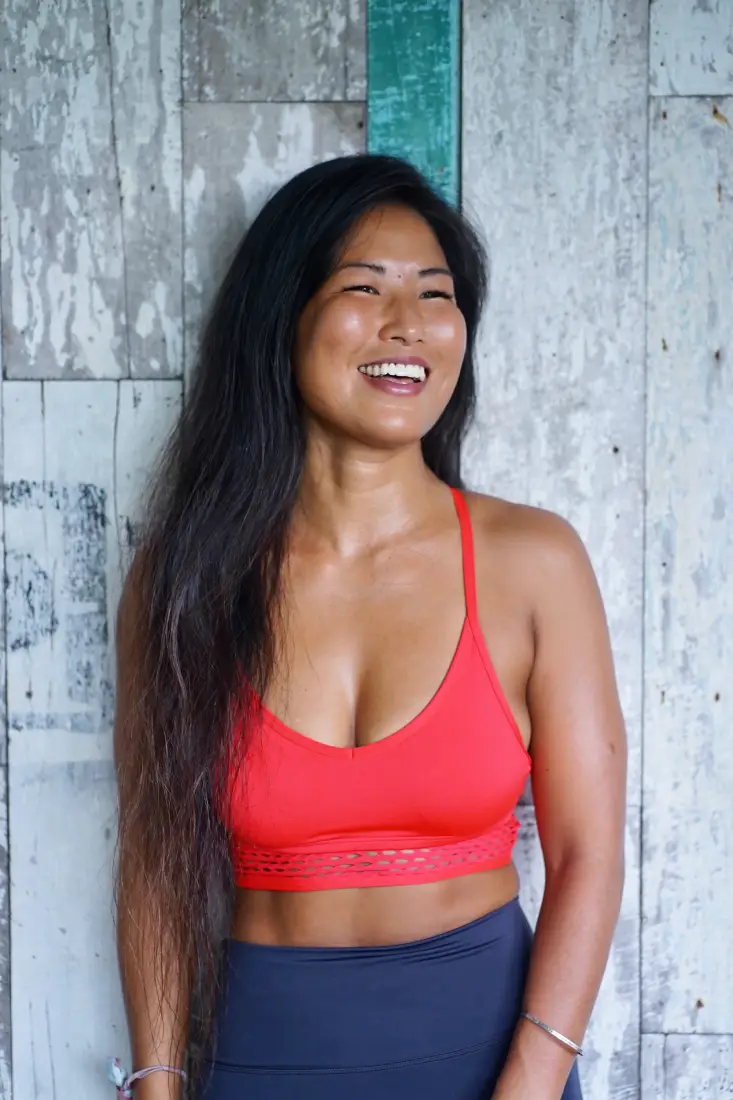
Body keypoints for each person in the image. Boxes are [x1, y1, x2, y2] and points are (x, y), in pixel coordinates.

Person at [112, 154, 626, 1100]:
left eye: (435, 295)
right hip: (258, 1056)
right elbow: (155, 858)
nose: (409, 325)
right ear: (284, 315)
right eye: (365, 287)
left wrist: (532, 1081)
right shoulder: (186, 578)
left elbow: (588, 852)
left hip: (491, 1060)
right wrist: (155, 1083)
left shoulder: (534, 562)